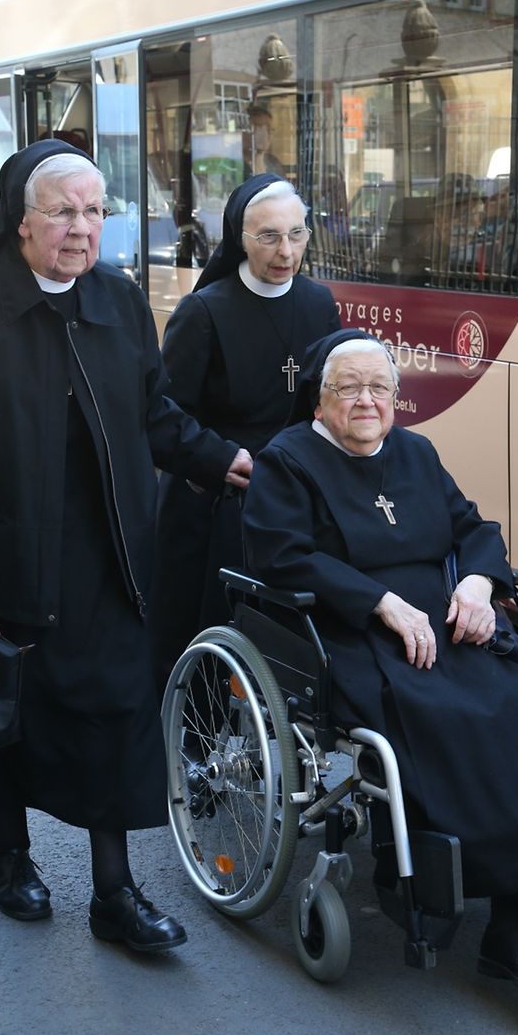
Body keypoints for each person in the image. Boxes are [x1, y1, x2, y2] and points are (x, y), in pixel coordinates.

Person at [242, 328, 518, 998]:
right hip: (351, 636)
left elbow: (473, 528)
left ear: (397, 398)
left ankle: (514, 929)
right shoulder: (288, 461)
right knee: (457, 726)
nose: (367, 401)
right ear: (319, 400)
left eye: (380, 387)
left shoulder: (415, 452)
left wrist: (476, 585)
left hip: (447, 626)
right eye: (349, 388)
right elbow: (282, 556)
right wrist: (380, 602)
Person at [0, 139, 252, 952]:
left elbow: (155, 415)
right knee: (13, 705)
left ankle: (114, 893)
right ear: (21, 222)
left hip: (110, 547)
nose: (84, 229)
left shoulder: (118, 301)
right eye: (64, 213)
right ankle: (6, 852)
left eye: (95, 211)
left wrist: (222, 460)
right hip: (9, 550)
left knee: (116, 712)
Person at [149, 174, 340, 695]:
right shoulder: (204, 311)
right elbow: (164, 413)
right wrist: (219, 459)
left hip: (290, 498)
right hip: (213, 505)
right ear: (240, 237)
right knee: (206, 644)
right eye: (269, 237)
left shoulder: (318, 303)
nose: (286, 252)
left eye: (297, 235)